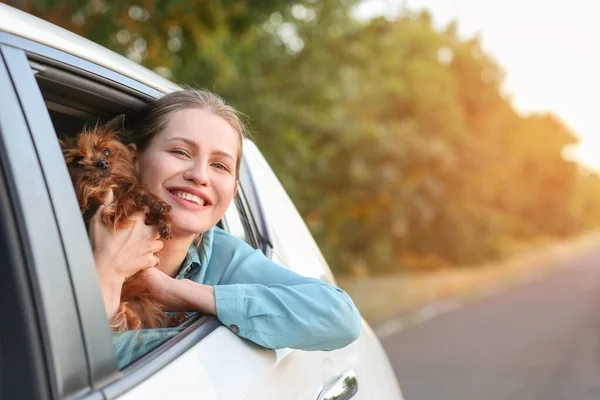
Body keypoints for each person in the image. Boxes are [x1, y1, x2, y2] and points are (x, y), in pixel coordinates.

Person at [88, 89, 361, 367]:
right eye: (180, 152)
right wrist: (108, 271)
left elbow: (341, 318)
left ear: (232, 192)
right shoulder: (66, 235)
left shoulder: (223, 257)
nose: (199, 175)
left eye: (219, 165)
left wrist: (177, 292)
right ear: (134, 159)